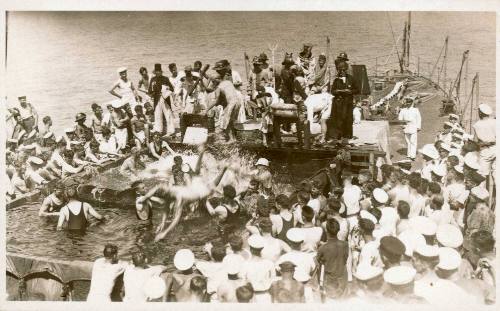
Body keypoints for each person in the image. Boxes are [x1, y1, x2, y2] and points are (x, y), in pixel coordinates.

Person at [205, 68, 241, 143]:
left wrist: (207, 110)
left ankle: (229, 139)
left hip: (231, 104)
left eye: (213, 81)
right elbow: (226, 96)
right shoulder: (228, 82)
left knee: (225, 123)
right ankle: (233, 138)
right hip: (237, 102)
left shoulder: (219, 87)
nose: (213, 83)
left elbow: (216, 101)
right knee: (230, 122)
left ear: (217, 80)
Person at [317, 219, 349, 300]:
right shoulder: (345, 245)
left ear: (326, 231)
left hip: (330, 280)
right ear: (338, 230)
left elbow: (318, 261)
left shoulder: (323, 248)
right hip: (343, 278)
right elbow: (345, 259)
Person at [329, 54, 358, 142]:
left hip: (348, 102)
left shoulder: (351, 79)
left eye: (343, 70)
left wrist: (350, 92)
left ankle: (347, 136)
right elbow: (332, 91)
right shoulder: (336, 80)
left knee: (348, 119)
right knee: (338, 119)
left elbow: (357, 90)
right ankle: (338, 136)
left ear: (346, 69)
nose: (342, 71)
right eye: (340, 70)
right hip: (339, 102)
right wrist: (338, 91)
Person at [240, 235, 276, 303]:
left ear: (250, 249)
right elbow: (273, 281)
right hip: (266, 297)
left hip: (251, 298)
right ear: (262, 248)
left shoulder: (245, 264)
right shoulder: (269, 263)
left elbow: (243, 283)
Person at [472, 103, 496, 177]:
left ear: (480, 113)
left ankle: (482, 188)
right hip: (496, 149)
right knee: (496, 174)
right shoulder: (495, 122)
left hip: (485, 150)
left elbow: (475, 141)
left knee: (482, 174)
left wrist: (485, 143)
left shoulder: (477, 125)